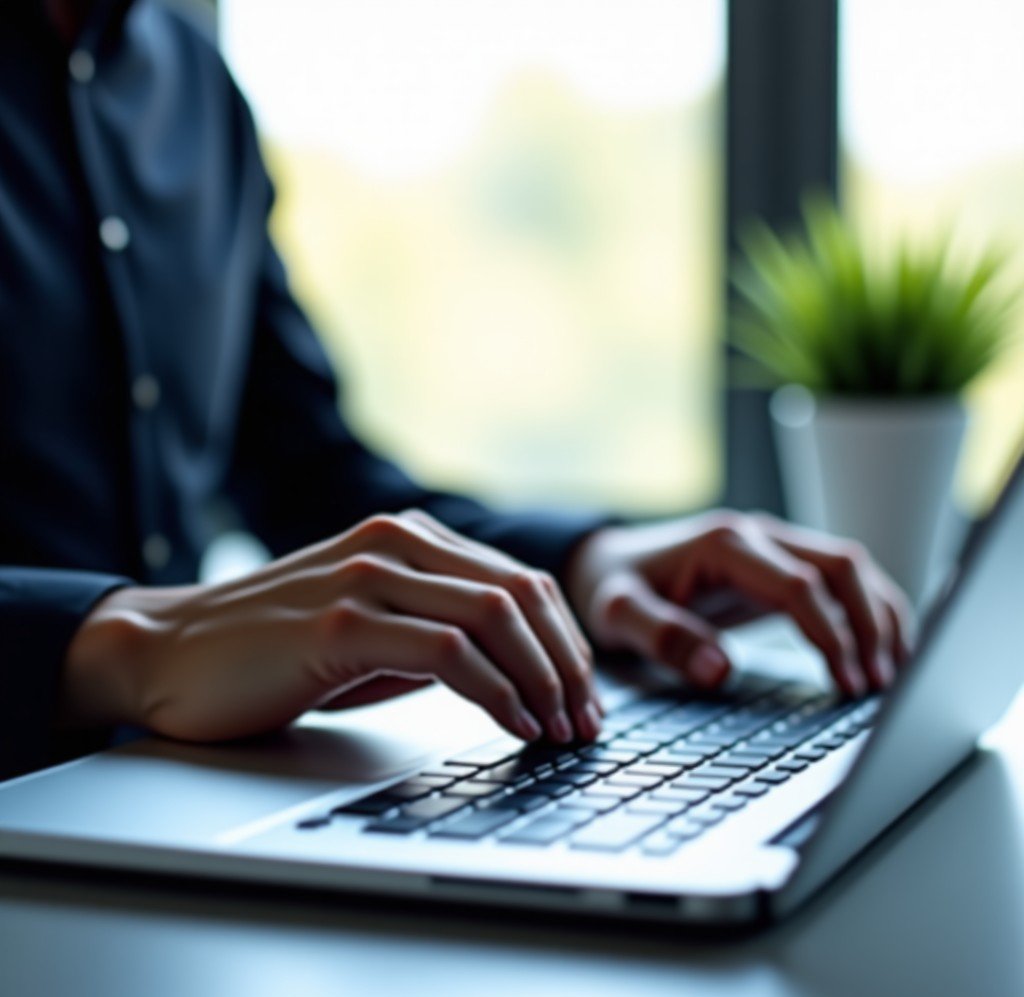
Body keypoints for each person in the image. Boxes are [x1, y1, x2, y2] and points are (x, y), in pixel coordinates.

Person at [0, 0, 911, 781]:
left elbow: (313, 482)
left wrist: (586, 565)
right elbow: (180, 635)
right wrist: (123, 646)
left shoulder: (191, 89)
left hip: (140, 830)